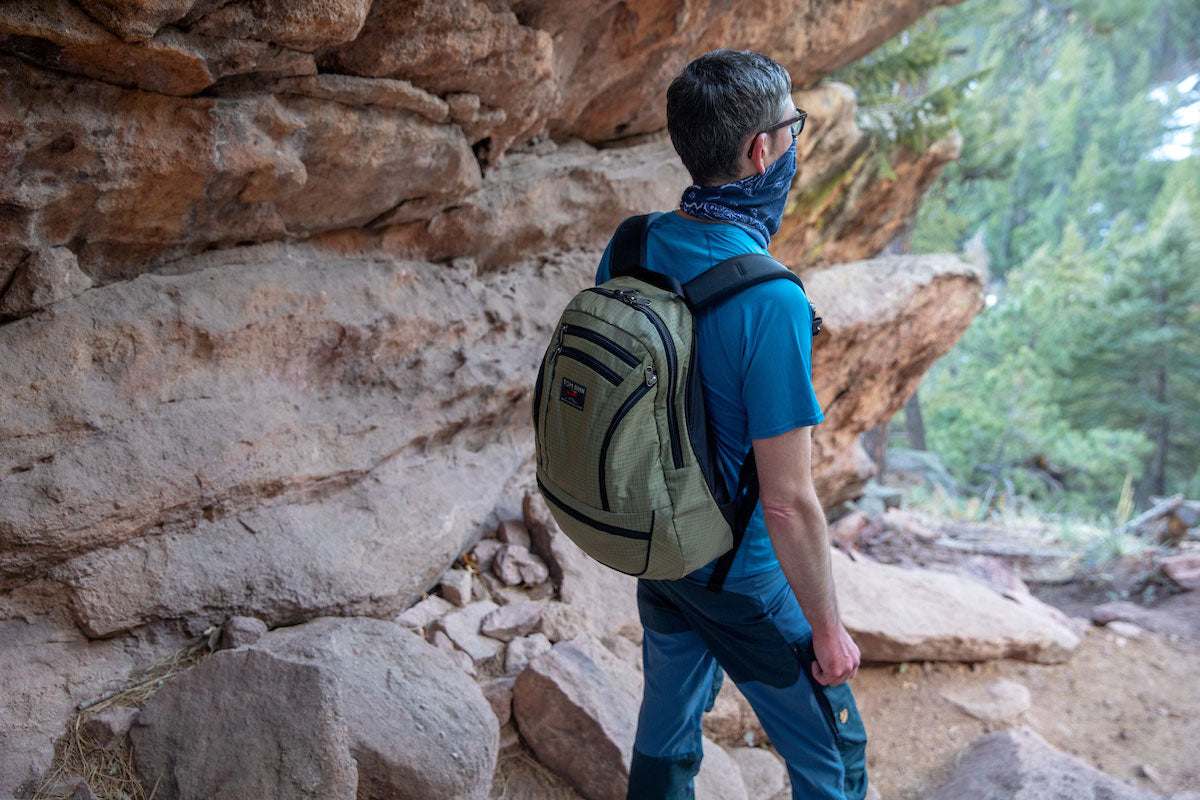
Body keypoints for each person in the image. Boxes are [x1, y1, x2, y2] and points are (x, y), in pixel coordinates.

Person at [593, 50, 869, 800]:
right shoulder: (771, 301)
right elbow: (786, 502)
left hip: (655, 547)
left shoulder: (631, 244)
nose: (795, 142)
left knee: (666, 727)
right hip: (739, 576)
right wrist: (830, 632)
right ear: (762, 151)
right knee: (834, 761)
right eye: (793, 129)